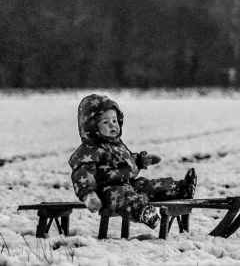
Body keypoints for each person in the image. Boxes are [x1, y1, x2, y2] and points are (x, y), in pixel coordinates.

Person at [69, 94, 197, 228]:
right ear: (92, 127)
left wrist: (142, 160)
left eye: (114, 121)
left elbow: (126, 161)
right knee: (124, 197)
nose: (113, 126)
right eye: (105, 122)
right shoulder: (90, 150)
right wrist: (88, 195)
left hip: (129, 184)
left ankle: (181, 189)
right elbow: (82, 174)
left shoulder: (116, 144)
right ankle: (143, 212)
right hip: (108, 191)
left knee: (148, 186)